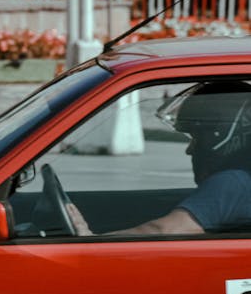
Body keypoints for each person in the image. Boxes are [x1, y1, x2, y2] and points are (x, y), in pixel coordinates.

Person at [70, 82, 251, 235]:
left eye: (197, 137)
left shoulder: (233, 183)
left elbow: (163, 231)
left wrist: (88, 239)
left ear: (225, 135)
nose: (190, 150)